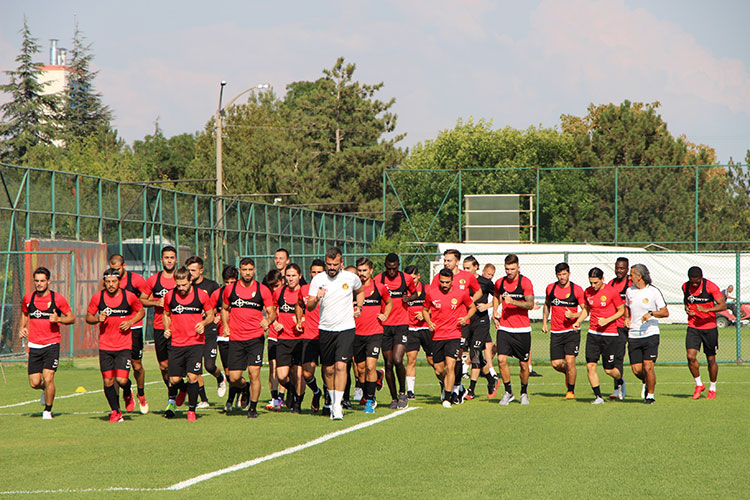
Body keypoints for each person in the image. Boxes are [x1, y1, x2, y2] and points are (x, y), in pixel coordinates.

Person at [306, 247, 364, 420]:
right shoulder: (318, 280)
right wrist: (317, 297)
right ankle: (331, 401)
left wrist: (359, 307)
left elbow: (360, 291)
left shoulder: (350, 278)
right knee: (329, 369)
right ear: (325, 263)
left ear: (341, 263)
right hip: (325, 330)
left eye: (335, 264)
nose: (332, 267)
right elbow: (309, 306)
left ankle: (338, 405)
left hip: (346, 328)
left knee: (341, 366)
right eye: (329, 264)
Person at [85, 268, 145, 422]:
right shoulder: (98, 298)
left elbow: (141, 311)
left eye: (114, 281)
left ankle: (127, 391)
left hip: (124, 345)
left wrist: (131, 322)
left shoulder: (129, 297)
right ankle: (115, 411)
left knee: (122, 380)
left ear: (119, 281)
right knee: (108, 381)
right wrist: (98, 318)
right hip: (105, 346)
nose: (111, 285)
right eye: (108, 282)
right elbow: (88, 317)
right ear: (104, 283)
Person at [222, 257, 276, 418]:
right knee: (234, 377)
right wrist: (225, 326)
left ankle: (252, 408)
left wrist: (268, 320)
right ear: (239, 271)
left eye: (250, 269)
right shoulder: (230, 289)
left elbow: (271, 311)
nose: (247, 273)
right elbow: (224, 309)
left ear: (254, 271)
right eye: (244, 270)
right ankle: (244, 388)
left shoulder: (262, 290)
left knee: (254, 373)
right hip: (236, 338)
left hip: (255, 338)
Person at [19, 267, 75, 420]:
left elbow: (71, 318)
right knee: (35, 383)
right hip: (34, 345)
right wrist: (22, 327)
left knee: (49, 377)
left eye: (42, 281)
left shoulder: (58, 299)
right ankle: (45, 389)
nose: (39, 284)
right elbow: (25, 313)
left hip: (52, 344)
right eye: (36, 281)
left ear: (48, 281)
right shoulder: (28, 298)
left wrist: (59, 320)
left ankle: (47, 411)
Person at [162, 267, 214, 421]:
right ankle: (182, 390)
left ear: (190, 281)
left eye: (184, 285)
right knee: (175, 380)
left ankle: (191, 410)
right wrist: (166, 328)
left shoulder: (201, 296)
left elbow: (211, 315)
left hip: (195, 343)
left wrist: (203, 323)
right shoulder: (170, 296)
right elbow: (166, 314)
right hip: (176, 343)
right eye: (178, 285)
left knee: (192, 376)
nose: (181, 288)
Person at [432, 249, 482, 402]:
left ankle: (455, 389)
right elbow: (433, 296)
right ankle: (453, 386)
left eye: (449, 260)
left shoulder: (466, 276)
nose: (446, 263)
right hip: (442, 327)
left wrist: (469, 305)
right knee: (441, 365)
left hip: (462, 323)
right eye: (445, 260)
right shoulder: (439, 278)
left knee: (457, 357)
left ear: (457, 262)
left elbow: (478, 291)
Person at [423, 268, 476, 408]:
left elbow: (472, 307)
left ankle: (448, 397)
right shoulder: (431, 293)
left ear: (452, 281)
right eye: (442, 282)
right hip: (437, 335)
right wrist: (429, 322)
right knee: (439, 370)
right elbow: (424, 309)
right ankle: (449, 385)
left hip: (454, 334)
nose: (444, 284)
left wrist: (465, 318)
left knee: (451, 365)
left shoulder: (461, 293)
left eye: (447, 282)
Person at [108, 254, 150, 414]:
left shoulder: (137, 280)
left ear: (124, 266)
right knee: (115, 370)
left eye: (117, 269)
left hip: (134, 329)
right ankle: (119, 404)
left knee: (137, 366)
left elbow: (146, 299)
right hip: (115, 331)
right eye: (112, 269)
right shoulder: (109, 281)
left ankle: (141, 394)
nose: (114, 272)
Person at [374, 253, 417, 410]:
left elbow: (415, 294)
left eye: (394, 268)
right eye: (388, 268)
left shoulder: (407, 278)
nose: (391, 271)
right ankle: (393, 398)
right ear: (385, 265)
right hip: (384, 325)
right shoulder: (379, 279)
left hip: (401, 324)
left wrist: (409, 299)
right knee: (388, 363)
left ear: (398, 265)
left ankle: (402, 392)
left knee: (398, 360)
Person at [577, 267, 625, 405]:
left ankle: (620, 381)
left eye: (596, 282)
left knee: (609, 370)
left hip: (610, 335)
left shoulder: (612, 291)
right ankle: (598, 397)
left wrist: (607, 320)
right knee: (590, 365)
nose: (593, 285)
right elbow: (586, 310)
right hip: (593, 334)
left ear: (602, 279)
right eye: (591, 282)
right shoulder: (587, 292)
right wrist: (578, 321)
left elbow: (621, 311)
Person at [493, 254, 535, 405]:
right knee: (501, 359)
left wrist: (513, 302)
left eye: (512, 269)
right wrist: (494, 311)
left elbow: (530, 304)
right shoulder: (500, 282)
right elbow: (496, 295)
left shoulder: (525, 282)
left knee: (524, 365)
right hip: (505, 327)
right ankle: (508, 391)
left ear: (518, 268)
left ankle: (524, 392)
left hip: (522, 329)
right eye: (507, 269)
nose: (509, 272)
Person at [624, 264, 668, 404]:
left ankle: (650, 395)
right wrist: (626, 318)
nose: (629, 277)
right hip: (634, 335)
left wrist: (651, 314)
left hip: (650, 334)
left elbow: (665, 312)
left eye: (631, 275)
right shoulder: (629, 291)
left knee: (648, 366)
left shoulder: (653, 292)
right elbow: (626, 307)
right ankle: (647, 382)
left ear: (639, 276)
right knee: (637, 370)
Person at [186, 256, 226, 408]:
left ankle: (219, 377)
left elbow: (221, 304)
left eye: (193, 270)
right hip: (192, 333)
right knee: (194, 368)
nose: (190, 273)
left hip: (209, 330)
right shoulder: (185, 287)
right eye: (188, 270)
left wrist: (215, 315)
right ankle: (203, 400)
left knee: (209, 365)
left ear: (201, 271)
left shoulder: (211, 285)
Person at [354, 257, 393, 413]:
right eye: (360, 270)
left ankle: (370, 400)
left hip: (375, 333)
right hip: (356, 334)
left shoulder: (379, 288)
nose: (362, 274)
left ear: (371, 271)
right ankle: (377, 377)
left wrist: (385, 315)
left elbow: (389, 302)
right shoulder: (353, 289)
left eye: (365, 270)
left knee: (370, 366)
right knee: (361, 369)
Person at [542, 262, 586, 399]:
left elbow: (586, 310)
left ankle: (570, 391)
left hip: (572, 331)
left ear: (569, 274)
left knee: (570, 361)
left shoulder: (577, 290)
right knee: (556, 364)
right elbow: (547, 305)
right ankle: (568, 373)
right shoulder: (550, 288)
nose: (562, 277)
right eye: (559, 274)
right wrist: (544, 322)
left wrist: (573, 316)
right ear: (556, 275)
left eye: (564, 274)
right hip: (556, 331)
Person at [273, 264, 313, 413]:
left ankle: (298, 403)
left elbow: (313, 312)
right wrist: (275, 322)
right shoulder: (279, 292)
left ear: (300, 276)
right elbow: (271, 309)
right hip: (283, 338)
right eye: (288, 276)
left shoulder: (305, 293)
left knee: (299, 374)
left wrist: (303, 320)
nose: (290, 278)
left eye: (293, 276)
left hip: (301, 339)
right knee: (282, 375)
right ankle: (291, 391)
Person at [682, 266, 726, 400]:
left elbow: (722, 305)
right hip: (693, 326)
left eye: (697, 282)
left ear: (701, 278)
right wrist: (687, 310)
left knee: (711, 359)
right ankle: (699, 384)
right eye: (692, 281)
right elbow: (686, 302)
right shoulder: (685, 286)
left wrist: (707, 310)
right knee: (691, 357)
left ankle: (712, 388)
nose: (694, 284)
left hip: (709, 327)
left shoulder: (711, 287)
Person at [142, 246, 178, 393]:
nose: (169, 261)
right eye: (166, 258)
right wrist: (156, 302)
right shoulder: (153, 280)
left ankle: (176, 394)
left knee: (177, 365)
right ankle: (172, 392)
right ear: (161, 260)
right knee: (163, 366)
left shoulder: (182, 279)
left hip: (178, 328)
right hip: (159, 327)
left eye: (172, 258)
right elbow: (143, 299)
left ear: (176, 260)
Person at [462, 256, 498, 400]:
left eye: (468, 268)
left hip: (481, 322)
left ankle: (471, 390)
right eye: (464, 268)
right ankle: (491, 379)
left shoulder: (485, 282)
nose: (465, 271)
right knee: (467, 351)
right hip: (466, 321)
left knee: (475, 352)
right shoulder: (461, 282)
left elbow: (498, 297)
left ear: (476, 267)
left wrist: (488, 306)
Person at [293, 260, 326, 413]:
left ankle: (329, 401)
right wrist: (299, 320)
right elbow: (299, 304)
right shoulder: (305, 289)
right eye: (313, 272)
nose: (316, 275)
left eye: (319, 272)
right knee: (307, 373)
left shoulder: (331, 289)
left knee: (329, 372)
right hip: (309, 335)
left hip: (327, 335)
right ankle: (316, 392)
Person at [210, 265, 241, 412]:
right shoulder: (217, 294)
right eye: (227, 282)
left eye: (232, 282)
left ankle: (230, 400)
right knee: (229, 373)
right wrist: (214, 316)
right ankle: (241, 391)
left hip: (239, 336)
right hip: (223, 336)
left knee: (235, 372)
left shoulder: (243, 293)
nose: (230, 285)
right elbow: (209, 311)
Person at [404, 265, 432, 400]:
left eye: (413, 278)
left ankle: (445, 384)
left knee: (433, 361)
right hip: (410, 330)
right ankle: (410, 391)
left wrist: (425, 314)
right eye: (408, 278)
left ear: (419, 276)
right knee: (411, 359)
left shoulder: (427, 289)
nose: (411, 281)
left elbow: (436, 305)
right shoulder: (404, 291)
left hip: (426, 328)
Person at [607, 257, 631, 399]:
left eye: (622, 268)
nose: (619, 271)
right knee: (617, 357)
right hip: (617, 326)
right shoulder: (611, 284)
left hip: (633, 324)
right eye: (617, 268)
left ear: (627, 269)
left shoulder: (632, 284)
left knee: (638, 361)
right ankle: (619, 387)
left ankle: (646, 383)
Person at [262, 269, 285, 412]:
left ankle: (283, 397)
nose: (274, 289)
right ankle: (275, 398)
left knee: (285, 369)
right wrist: (271, 322)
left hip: (286, 335)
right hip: (273, 334)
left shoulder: (288, 293)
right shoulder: (268, 296)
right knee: (273, 367)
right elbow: (269, 312)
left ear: (282, 282)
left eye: (276, 285)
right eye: (272, 287)